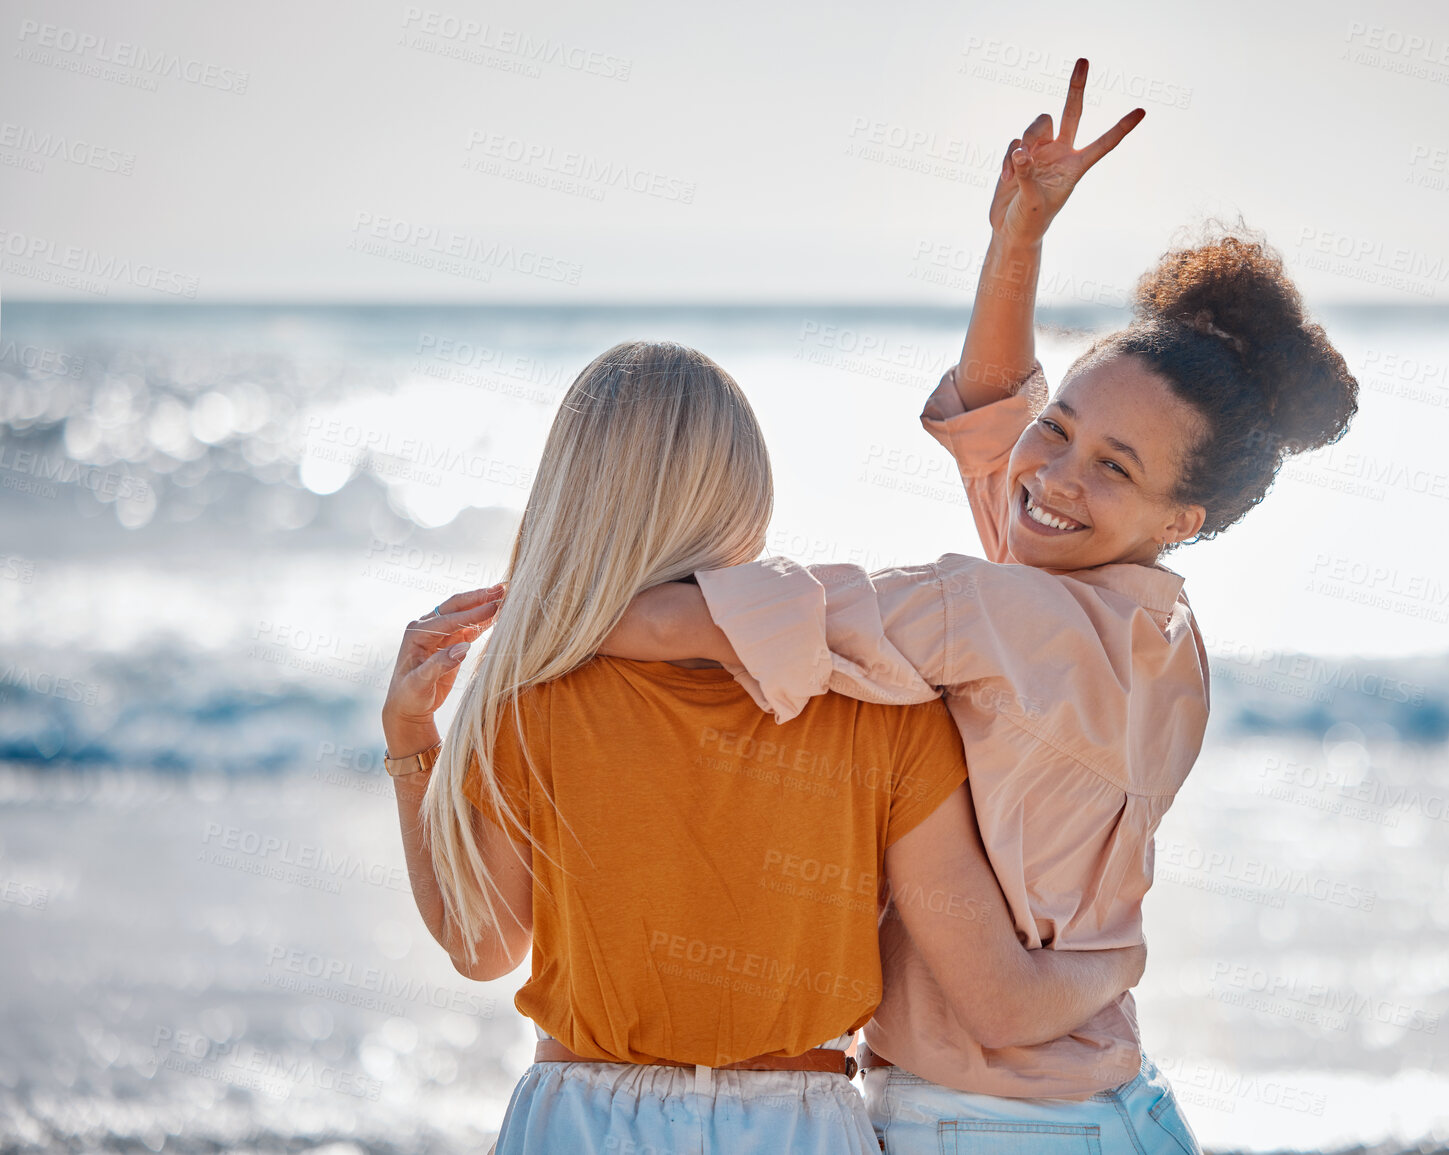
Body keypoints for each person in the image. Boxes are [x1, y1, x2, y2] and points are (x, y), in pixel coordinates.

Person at [601, 59, 1359, 1152]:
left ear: (1178, 515)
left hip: (999, 1128)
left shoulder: (1003, 613)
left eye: (1114, 467)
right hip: (1107, 1105)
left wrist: (557, 619)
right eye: (1065, 429)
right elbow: (1003, 433)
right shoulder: (1155, 633)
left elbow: (735, 619)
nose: (1054, 478)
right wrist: (1019, 240)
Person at [378, 340, 1148, 1154]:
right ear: (745, 490)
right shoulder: (874, 698)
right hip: (796, 1123)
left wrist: (409, 743)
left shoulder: (534, 696)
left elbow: (481, 946)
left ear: (570, 492)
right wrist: (1119, 960)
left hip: (580, 1119)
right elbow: (993, 991)